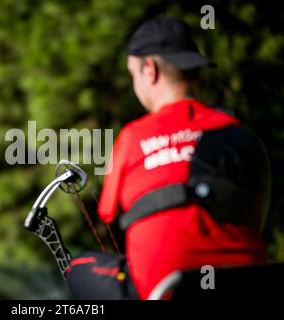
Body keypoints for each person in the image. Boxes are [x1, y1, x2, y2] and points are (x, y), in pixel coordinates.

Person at [97, 15, 271, 299]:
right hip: (247, 285)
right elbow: (255, 218)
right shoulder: (242, 135)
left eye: (133, 74)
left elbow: (106, 212)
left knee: (79, 269)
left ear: (149, 70)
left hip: (163, 291)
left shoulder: (131, 137)